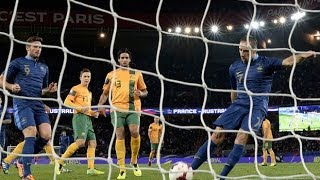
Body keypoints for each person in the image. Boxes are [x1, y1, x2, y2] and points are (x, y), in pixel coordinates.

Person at [190, 36, 315, 179]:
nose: (242, 53)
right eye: (240, 50)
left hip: (257, 106)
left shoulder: (266, 63)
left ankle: (221, 177)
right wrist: (233, 111)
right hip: (238, 105)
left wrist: (303, 55)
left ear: (254, 50)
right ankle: (190, 170)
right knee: (217, 134)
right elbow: (234, 90)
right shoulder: (234, 67)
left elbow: (287, 62)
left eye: (245, 51)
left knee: (241, 137)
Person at [0, 36, 57, 180]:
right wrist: (11, 86)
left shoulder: (44, 68)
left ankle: (21, 160)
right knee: (31, 132)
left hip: (37, 103)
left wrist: (48, 90)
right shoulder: (18, 62)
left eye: (40, 47)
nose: (38, 49)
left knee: (46, 135)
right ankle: (26, 173)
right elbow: (1, 79)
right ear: (27, 47)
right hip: (22, 102)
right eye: (35, 46)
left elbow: (41, 90)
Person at [98, 48, 148, 180]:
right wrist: (100, 105)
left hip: (133, 108)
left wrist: (141, 94)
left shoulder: (137, 73)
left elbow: (145, 91)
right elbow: (105, 93)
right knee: (119, 134)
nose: (124, 60)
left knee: (134, 132)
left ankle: (134, 161)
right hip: (116, 109)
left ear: (130, 60)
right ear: (118, 60)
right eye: (122, 58)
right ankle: (122, 168)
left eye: (127, 58)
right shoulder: (111, 75)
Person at [55, 68, 104, 175]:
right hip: (79, 117)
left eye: (88, 76)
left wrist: (93, 113)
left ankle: (90, 169)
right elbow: (67, 102)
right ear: (80, 78)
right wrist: (80, 109)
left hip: (87, 119)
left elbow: (87, 108)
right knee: (80, 142)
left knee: (93, 143)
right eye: (85, 76)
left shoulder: (88, 92)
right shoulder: (76, 88)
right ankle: (60, 162)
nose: (87, 78)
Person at [0, 95, 12, 164]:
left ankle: (1, 163)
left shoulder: (4, 110)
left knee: (1, 148)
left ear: (1, 101)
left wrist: (1, 121)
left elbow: (9, 120)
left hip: (1, 132)